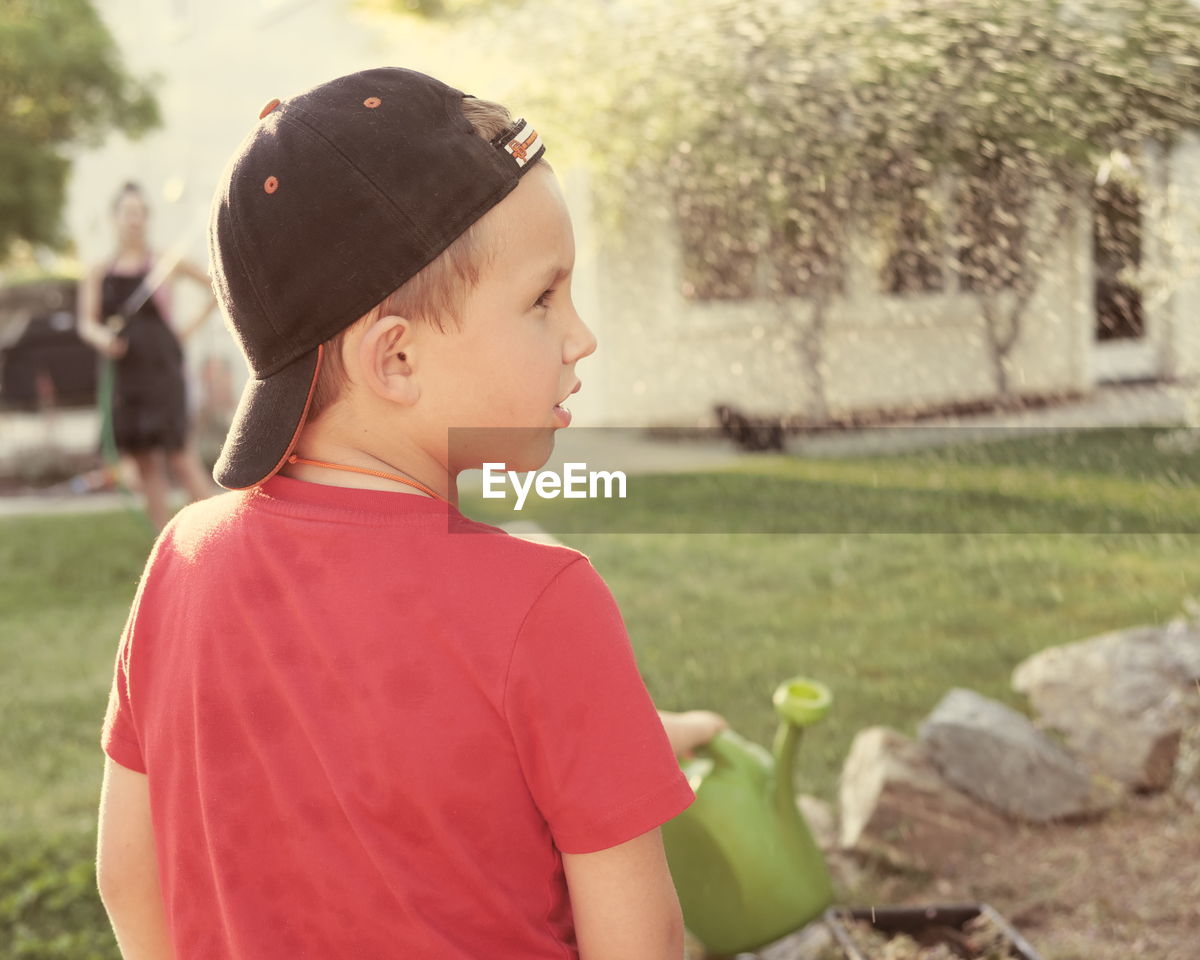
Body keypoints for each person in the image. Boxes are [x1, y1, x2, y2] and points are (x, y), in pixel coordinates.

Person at [95, 68, 728, 960]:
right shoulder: (547, 603)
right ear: (395, 360)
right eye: (543, 299)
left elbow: (129, 878)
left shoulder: (182, 561)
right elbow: (644, 944)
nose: (581, 336)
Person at [77, 182, 218, 530]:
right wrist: (102, 338)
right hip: (127, 377)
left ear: (146, 218)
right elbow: (86, 323)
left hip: (163, 372)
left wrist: (184, 331)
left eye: (140, 213)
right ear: (115, 219)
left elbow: (215, 289)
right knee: (145, 463)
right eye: (128, 213)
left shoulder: (164, 264)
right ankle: (164, 546)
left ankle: (220, 535)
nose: (134, 220)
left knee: (180, 456)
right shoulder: (99, 272)